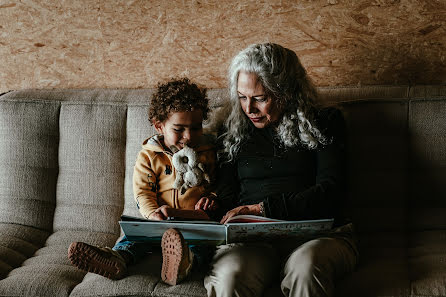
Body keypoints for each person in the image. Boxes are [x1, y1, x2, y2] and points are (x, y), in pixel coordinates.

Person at [203, 43, 359, 297]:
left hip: (318, 236)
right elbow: (228, 191)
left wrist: (261, 209)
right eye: (242, 97)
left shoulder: (325, 122)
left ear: (286, 92)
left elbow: (331, 192)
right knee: (230, 277)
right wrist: (213, 201)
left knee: (306, 269)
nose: (248, 109)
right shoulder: (233, 129)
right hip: (253, 241)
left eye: (260, 98)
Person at [68, 78, 218, 285]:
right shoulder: (149, 156)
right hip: (158, 222)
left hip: (194, 223)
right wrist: (152, 215)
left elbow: (220, 184)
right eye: (179, 129)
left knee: (201, 247)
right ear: (159, 125)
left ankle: (183, 263)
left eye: (195, 127)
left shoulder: (209, 152)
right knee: (133, 239)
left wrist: (212, 197)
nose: (188, 136)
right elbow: (143, 192)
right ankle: (116, 259)